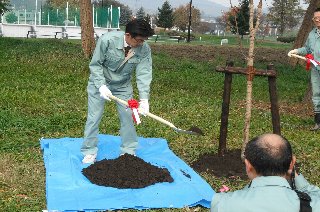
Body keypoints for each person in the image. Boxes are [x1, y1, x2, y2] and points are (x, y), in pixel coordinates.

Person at [81, 19, 155, 164]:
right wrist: (101, 86)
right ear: (128, 35)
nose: (141, 43)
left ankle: (128, 151)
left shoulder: (144, 48)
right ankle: (89, 151)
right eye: (139, 40)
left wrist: (144, 99)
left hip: (123, 86)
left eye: (144, 40)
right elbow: (95, 65)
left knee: (128, 116)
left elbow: (144, 73)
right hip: (100, 82)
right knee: (94, 117)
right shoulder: (107, 40)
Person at [211, 133, 320, 212]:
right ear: (292, 163)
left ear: (248, 165)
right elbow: (315, 193)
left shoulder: (223, 203)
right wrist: (293, 173)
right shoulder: (312, 205)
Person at [288, 7, 320, 131]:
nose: (317, 20)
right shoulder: (312, 34)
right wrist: (296, 50)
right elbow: (307, 49)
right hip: (315, 69)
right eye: (315, 18)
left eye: (319, 18)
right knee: (316, 94)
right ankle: (318, 122)